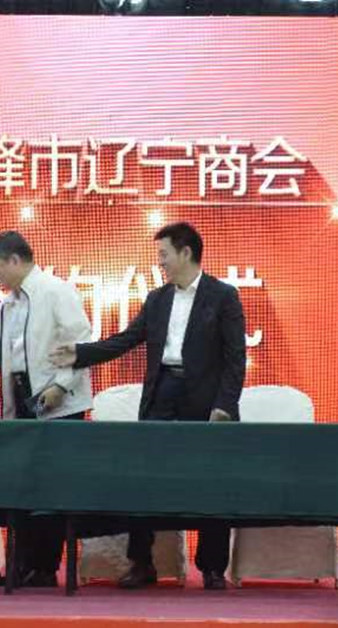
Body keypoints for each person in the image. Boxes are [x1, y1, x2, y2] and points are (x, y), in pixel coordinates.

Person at [50, 222, 246, 590]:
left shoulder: (223, 296)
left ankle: (213, 567)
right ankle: (142, 563)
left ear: (186, 252)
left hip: (205, 399)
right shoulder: (158, 299)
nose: (160, 262)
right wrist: (81, 353)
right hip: (162, 393)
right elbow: (126, 339)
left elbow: (235, 358)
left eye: (164, 254)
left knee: (211, 482)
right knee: (143, 479)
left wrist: (225, 405)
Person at [0, 231, 93, 587]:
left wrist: (61, 385)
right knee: (22, 485)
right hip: (24, 400)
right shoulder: (8, 304)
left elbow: (82, 343)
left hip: (60, 404)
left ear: (15, 260)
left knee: (52, 487)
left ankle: (45, 568)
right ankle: (21, 564)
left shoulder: (56, 291)